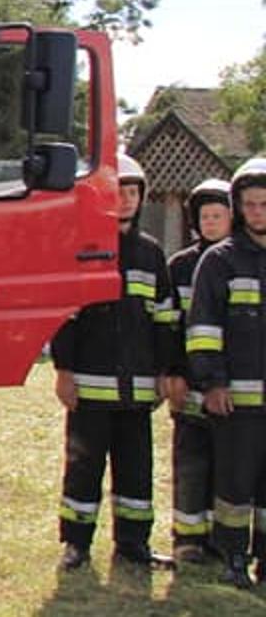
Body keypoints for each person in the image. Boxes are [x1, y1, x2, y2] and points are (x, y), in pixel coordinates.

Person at [51, 153, 179, 571]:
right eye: (118, 192)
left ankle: (133, 545)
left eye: (132, 192)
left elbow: (165, 318)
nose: (125, 200)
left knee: (137, 473)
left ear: (141, 198)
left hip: (139, 391)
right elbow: (66, 316)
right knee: (83, 469)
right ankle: (76, 544)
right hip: (90, 388)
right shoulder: (85, 249)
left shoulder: (151, 254)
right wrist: (64, 372)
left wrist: (166, 370)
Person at [185, 157, 266, 588]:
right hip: (235, 402)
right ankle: (233, 558)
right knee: (234, 487)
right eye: (251, 205)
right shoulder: (219, 262)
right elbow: (202, 330)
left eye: (265, 205)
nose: (258, 213)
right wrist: (212, 382)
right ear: (239, 207)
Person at [164, 178, 233, 565]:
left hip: (230, 386)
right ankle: (188, 540)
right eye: (204, 216)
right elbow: (170, 324)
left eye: (217, 216)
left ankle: (224, 541)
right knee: (190, 461)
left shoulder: (240, 262)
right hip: (190, 383)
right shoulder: (180, 266)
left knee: (229, 466)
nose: (209, 223)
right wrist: (173, 369)